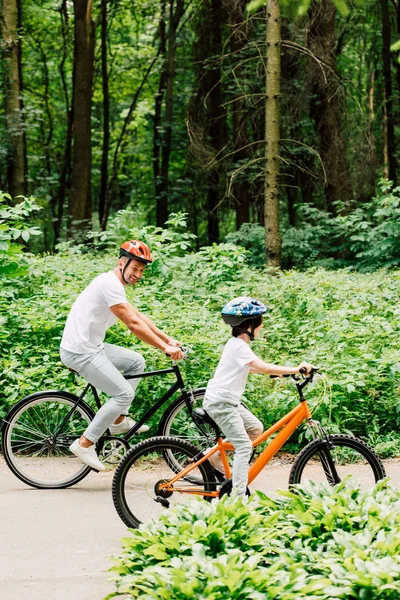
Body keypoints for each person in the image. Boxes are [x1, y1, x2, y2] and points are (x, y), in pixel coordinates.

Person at [60, 240, 183, 471]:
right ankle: (85, 443)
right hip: (80, 352)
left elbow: (138, 316)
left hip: (91, 346)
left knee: (136, 362)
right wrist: (164, 348)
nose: (138, 274)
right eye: (134, 268)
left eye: (141, 270)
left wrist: (167, 339)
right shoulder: (109, 284)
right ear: (120, 263)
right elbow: (134, 324)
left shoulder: (114, 284)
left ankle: (117, 421)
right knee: (124, 393)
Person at [203, 296, 313, 498]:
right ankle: (237, 498)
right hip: (221, 404)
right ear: (249, 325)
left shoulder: (237, 346)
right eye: (260, 322)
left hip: (228, 402)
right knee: (244, 446)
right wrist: (294, 369)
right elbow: (259, 366)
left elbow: (251, 368)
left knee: (255, 428)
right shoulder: (238, 346)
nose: (261, 326)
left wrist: (280, 372)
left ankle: (214, 455)